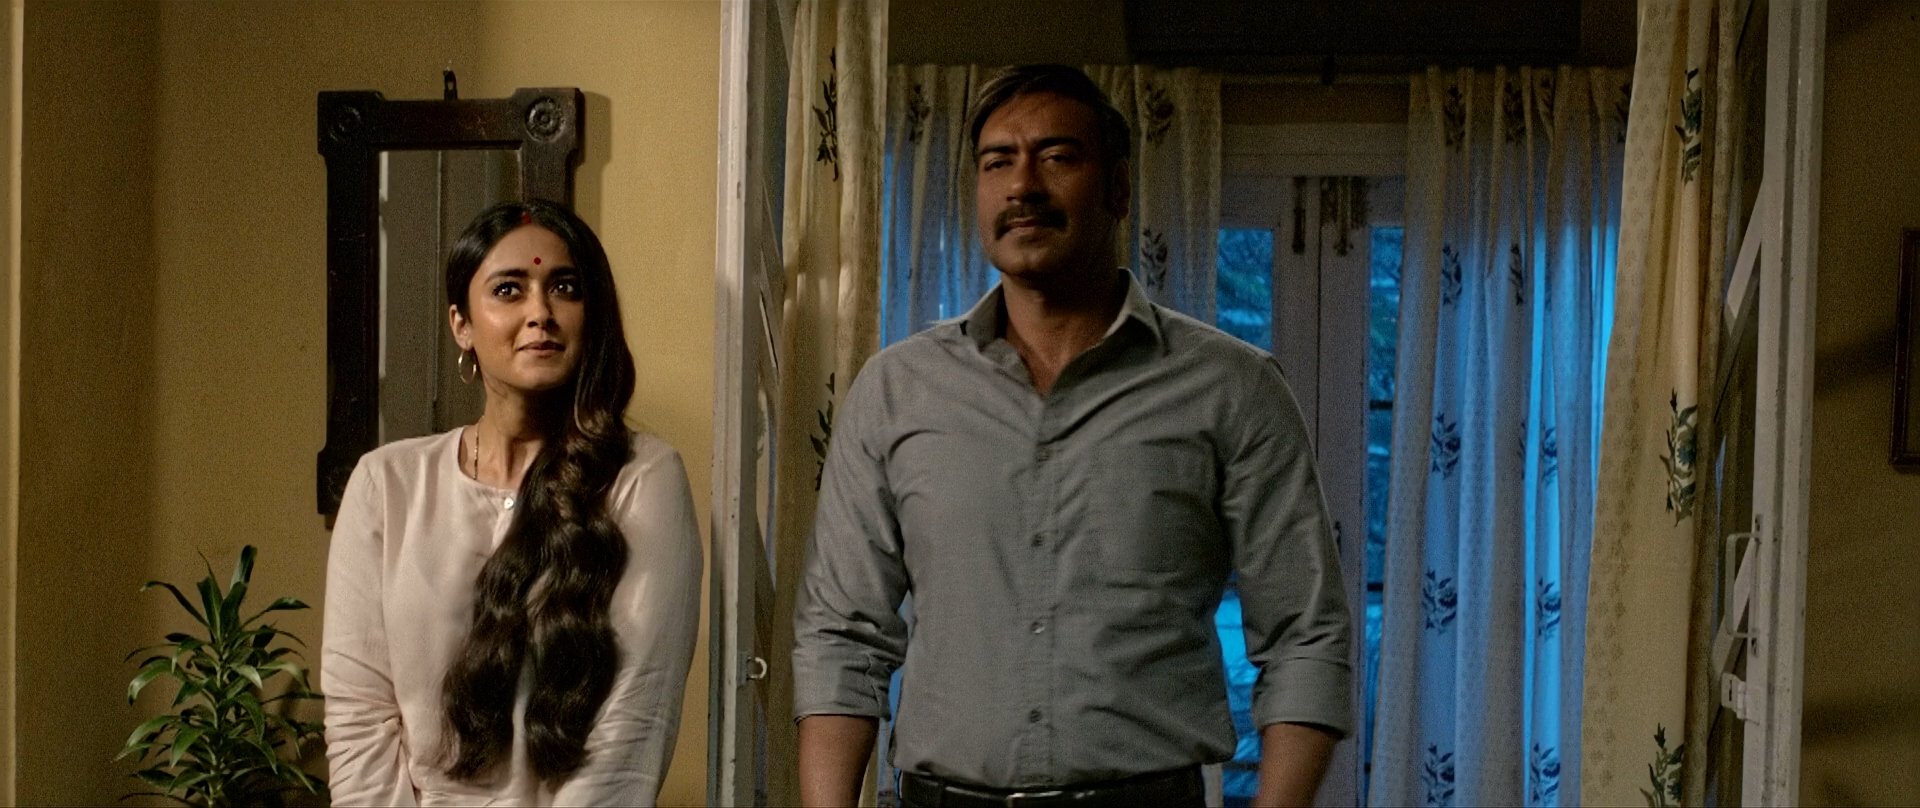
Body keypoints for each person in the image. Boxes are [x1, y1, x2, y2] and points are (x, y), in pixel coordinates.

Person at [792, 65, 1352, 808]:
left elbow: (1305, 638)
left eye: (1056, 157)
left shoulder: (1233, 388)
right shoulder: (895, 393)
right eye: (997, 162)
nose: (1022, 185)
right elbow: (841, 638)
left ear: (1118, 188)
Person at [323, 200, 701, 805]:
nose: (540, 313)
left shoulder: (641, 480)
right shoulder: (386, 486)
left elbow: (634, 725)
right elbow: (359, 721)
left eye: (565, 288)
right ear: (461, 325)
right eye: (508, 289)